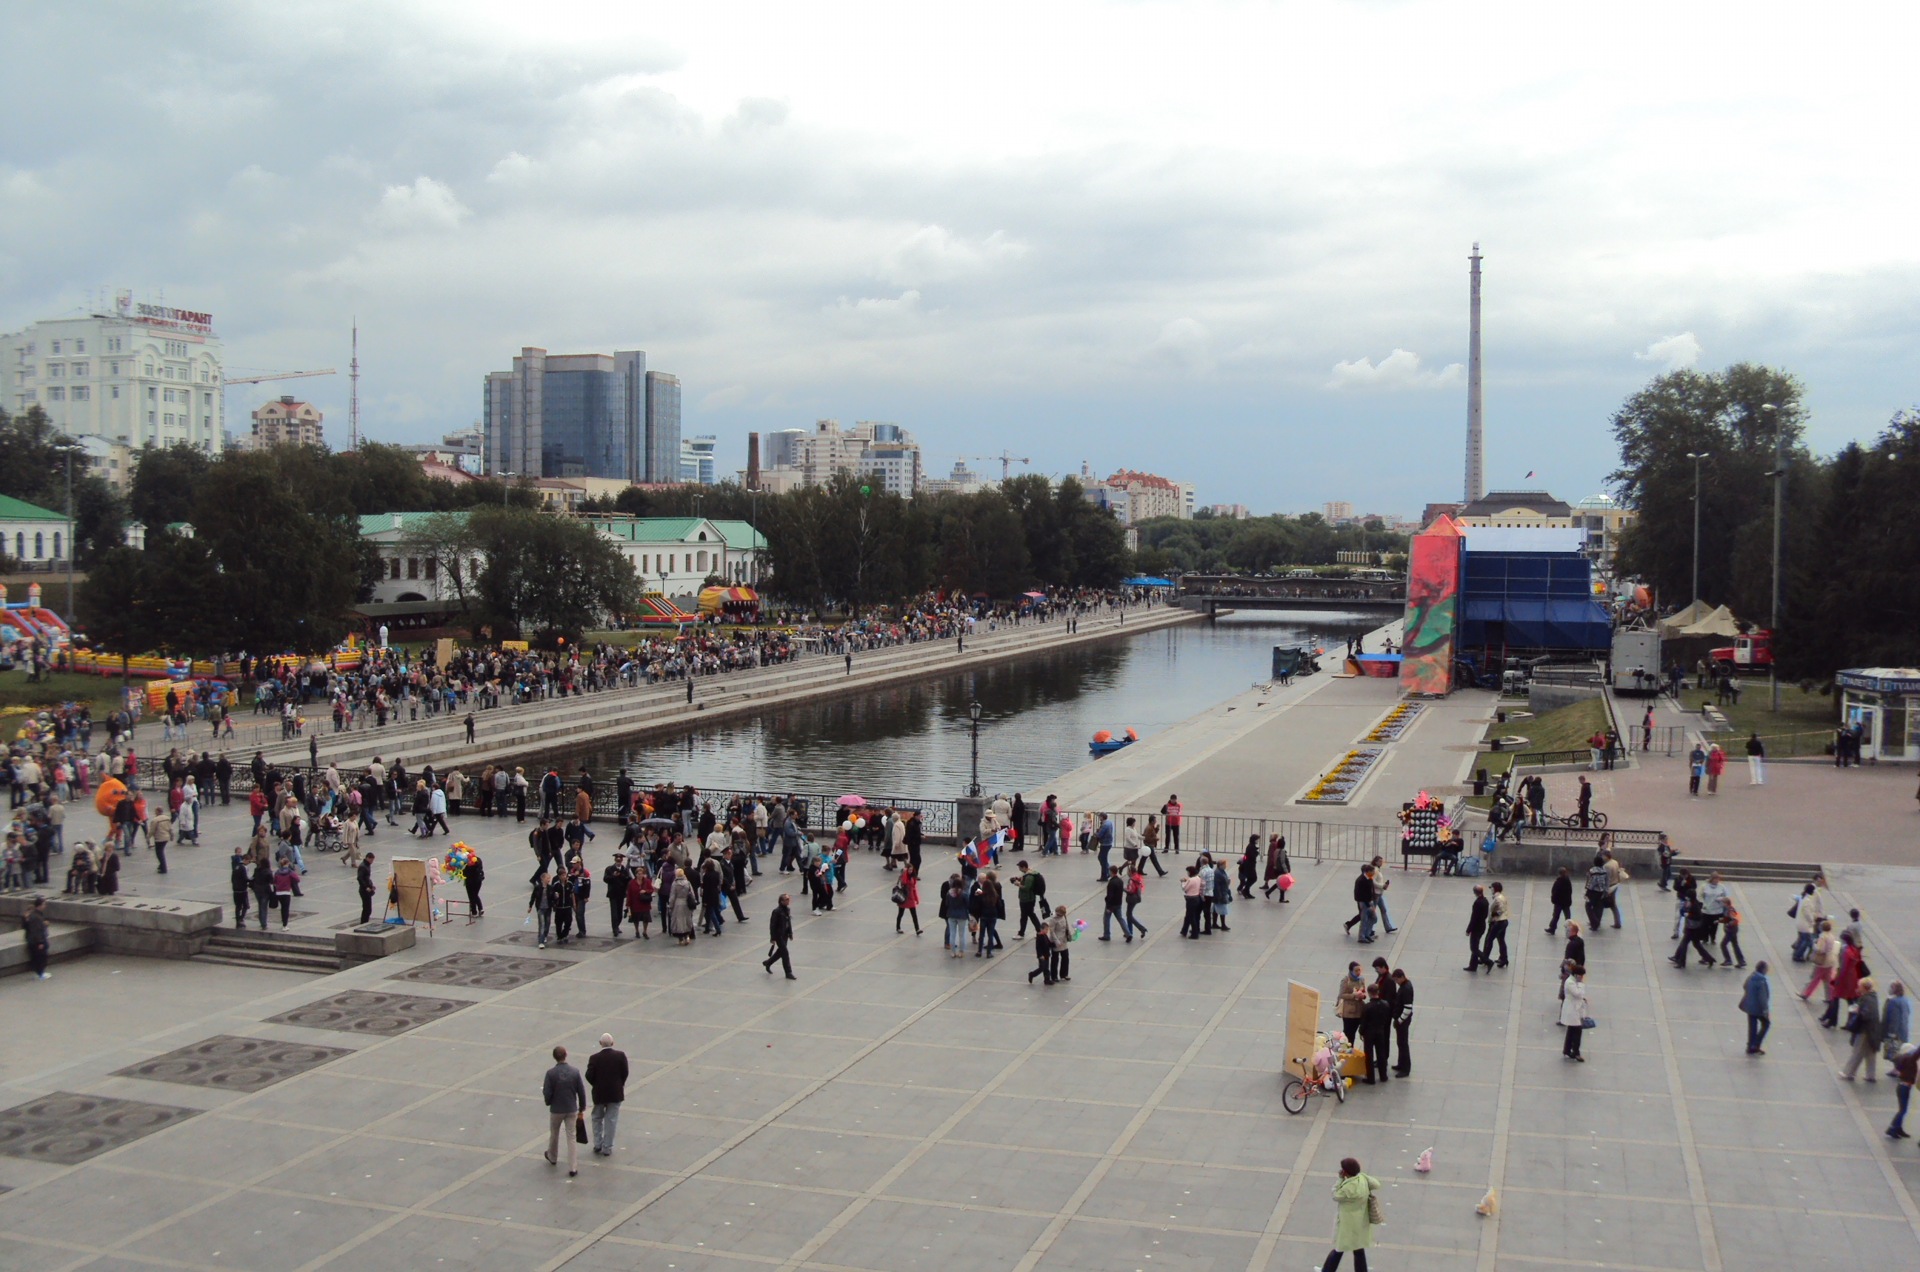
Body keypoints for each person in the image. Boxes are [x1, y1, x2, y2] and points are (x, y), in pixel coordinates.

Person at [1317, 1157, 1381, 1272]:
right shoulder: (1362, 1178)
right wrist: (1363, 1176)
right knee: (1358, 1249)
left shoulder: (1348, 1188)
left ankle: (1326, 1270)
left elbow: (1335, 1195)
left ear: (1345, 1172)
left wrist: (1340, 1179)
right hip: (1361, 1220)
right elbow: (1376, 1184)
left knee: (1339, 1249)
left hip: (1347, 1223)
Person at [541, 1044, 587, 1177]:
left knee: (554, 1133)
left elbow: (547, 1092)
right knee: (571, 1136)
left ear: (554, 1057)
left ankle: (552, 1156)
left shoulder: (550, 1073)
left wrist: (549, 1102)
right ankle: (573, 1167)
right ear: (566, 1054)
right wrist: (582, 1108)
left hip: (556, 1109)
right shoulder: (575, 1072)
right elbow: (581, 1091)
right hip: (571, 1108)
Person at [584, 1034, 629, 1157]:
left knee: (597, 1118)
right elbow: (625, 1072)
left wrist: (596, 1084)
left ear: (600, 1043)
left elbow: (588, 1075)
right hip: (615, 1093)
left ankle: (598, 1144)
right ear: (613, 1043)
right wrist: (620, 1084)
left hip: (599, 1093)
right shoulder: (620, 1056)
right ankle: (607, 1147)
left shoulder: (594, 1058)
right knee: (611, 1120)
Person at [1841, 977, 1884, 1082]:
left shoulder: (1866, 999)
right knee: (1870, 1052)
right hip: (1873, 1030)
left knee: (1857, 1051)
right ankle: (1870, 1074)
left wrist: (1857, 1011)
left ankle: (1849, 1073)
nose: (1858, 988)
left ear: (1864, 988)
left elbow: (1865, 1015)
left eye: (1859, 986)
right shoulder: (1873, 997)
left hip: (1865, 1030)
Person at [1360, 985, 1393, 1084]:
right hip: (1380, 1031)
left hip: (1369, 1033)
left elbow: (1364, 1022)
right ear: (1378, 992)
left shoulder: (1367, 1007)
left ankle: (1370, 1078)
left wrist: (1361, 1032)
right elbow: (1387, 1018)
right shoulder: (1385, 1004)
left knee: (1369, 1055)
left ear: (1369, 993)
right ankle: (1383, 1076)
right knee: (1381, 1054)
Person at [1741, 961, 1772, 1055]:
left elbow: (1744, 986)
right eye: (1766, 969)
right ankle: (1755, 1044)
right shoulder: (1761, 980)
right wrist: (1765, 1010)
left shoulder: (1751, 977)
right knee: (1766, 1023)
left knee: (1752, 1027)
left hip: (1749, 1006)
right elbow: (1762, 997)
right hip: (1758, 1008)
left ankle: (1750, 1046)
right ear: (1763, 969)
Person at [1561, 963, 1590, 1061]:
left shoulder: (1572, 982)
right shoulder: (1570, 982)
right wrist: (1581, 984)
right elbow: (1578, 993)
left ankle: (1567, 1050)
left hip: (1575, 1009)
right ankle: (1576, 1052)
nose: (1582, 977)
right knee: (1577, 1031)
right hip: (1572, 1010)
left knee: (1571, 1030)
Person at [763, 892, 795, 978]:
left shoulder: (787, 910)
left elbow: (788, 922)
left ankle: (768, 963)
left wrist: (790, 932)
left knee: (780, 952)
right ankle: (788, 972)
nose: (788, 901)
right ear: (781, 901)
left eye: (789, 899)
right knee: (785, 953)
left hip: (785, 934)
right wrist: (772, 938)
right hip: (779, 935)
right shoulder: (776, 911)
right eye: (786, 899)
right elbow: (772, 925)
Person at [1389, 969, 1414, 1076]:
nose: (1396, 982)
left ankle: (1405, 1069)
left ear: (1401, 977)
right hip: (1401, 1020)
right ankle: (1401, 1064)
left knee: (1403, 1044)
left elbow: (1408, 1008)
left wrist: (1399, 1020)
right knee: (1400, 1043)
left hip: (1403, 1021)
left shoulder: (1406, 989)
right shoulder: (1405, 986)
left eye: (1396, 980)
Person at [1481, 881, 1510, 970]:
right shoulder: (1500, 897)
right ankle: (1503, 958)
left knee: (1489, 939)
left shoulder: (1498, 898)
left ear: (1495, 889)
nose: (1491, 890)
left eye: (1492, 888)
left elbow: (1501, 910)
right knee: (1501, 940)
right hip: (1503, 921)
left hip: (1498, 922)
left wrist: (1494, 915)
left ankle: (1485, 958)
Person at [1336, 962, 1366, 1044]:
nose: (1358, 972)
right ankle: (1346, 1050)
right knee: (1348, 1033)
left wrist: (1362, 995)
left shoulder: (1361, 979)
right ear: (1351, 971)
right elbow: (1341, 994)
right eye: (1356, 970)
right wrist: (1353, 995)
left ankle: (1350, 1049)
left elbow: (1364, 991)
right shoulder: (1346, 980)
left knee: (1354, 1032)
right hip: (1348, 1012)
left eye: (1359, 970)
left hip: (1359, 1010)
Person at [22, 895, 50, 980]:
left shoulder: (36, 915)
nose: (45, 906)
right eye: (44, 904)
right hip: (37, 941)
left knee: (40, 957)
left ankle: (40, 973)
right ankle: (40, 974)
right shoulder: (36, 916)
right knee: (40, 957)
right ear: (40, 905)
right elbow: (36, 931)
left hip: (35, 939)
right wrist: (40, 942)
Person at [1465, 884, 1490, 971]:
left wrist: (1468, 930)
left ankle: (1487, 961)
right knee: (1475, 945)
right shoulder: (1485, 901)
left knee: (1474, 948)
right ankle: (1473, 965)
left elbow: (1474, 918)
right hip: (1482, 925)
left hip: (1476, 927)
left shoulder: (1477, 903)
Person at [1047, 904, 1072, 982]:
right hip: (1056, 940)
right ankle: (1054, 976)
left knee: (1065, 957)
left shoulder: (1064, 916)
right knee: (1055, 959)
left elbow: (1067, 925)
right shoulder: (1053, 919)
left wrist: (1069, 935)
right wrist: (1056, 940)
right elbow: (1052, 931)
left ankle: (1064, 974)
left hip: (1063, 940)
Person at [1179, 864, 1206, 939]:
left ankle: (1195, 933)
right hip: (1196, 897)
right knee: (1188, 915)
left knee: (1191, 916)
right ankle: (1184, 930)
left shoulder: (1191, 880)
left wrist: (1182, 882)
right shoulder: (1198, 878)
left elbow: (1185, 888)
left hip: (1190, 898)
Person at [895, 864, 922, 935]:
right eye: (909, 870)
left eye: (911, 870)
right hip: (904, 897)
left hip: (911, 897)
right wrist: (904, 873)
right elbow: (904, 882)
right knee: (901, 913)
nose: (911, 871)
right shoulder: (904, 877)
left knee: (914, 914)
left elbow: (914, 888)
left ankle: (917, 929)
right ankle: (898, 927)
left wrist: (916, 898)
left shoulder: (912, 877)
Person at [1546, 867, 1573, 935]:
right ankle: (1569, 931)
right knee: (1567, 917)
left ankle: (1552, 928)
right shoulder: (1568, 881)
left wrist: (1553, 899)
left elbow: (1554, 892)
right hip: (1566, 902)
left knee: (1556, 916)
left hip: (1558, 902)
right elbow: (1570, 892)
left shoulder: (1558, 881)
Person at [357, 852, 377, 925]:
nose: (372, 862)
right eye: (371, 860)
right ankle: (363, 922)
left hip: (368, 888)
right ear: (368, 858)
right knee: (366, 908)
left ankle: (365, 922)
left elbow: (367, 878)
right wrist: (366, 887)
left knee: (368, 908)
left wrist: (371, 886)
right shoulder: (363, 867)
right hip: (364, 890)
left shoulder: (367, 865)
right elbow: (360, 878)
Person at [464, 848, 485, 917]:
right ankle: (480, 909)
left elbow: (464, 871)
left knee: (471, 896)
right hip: (478, 880)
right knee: (475, 894)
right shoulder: (478, 860)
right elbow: (480, 868)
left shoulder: (466, 862)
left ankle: (474, 912)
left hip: (470, 881)